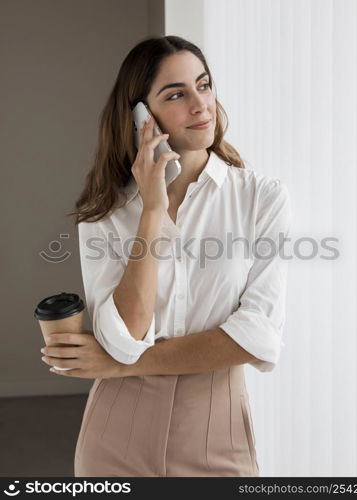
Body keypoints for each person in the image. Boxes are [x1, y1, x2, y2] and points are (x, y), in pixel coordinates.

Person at [41, 35, 292, 477]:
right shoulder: (104, 212)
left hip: (218, 430)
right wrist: (152, 211)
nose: (201, 105)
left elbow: (257, 335)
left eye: (204, 85)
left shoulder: (260, 198)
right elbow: (124, 339)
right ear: (142, 117)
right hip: (115, 434)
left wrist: (118, 366)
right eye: (176, 94)